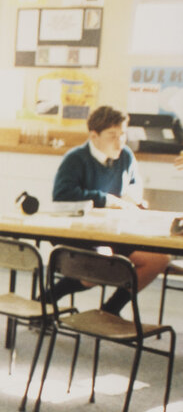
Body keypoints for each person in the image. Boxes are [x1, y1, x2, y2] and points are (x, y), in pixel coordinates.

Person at [48, 105, 170, 314]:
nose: (120, 140)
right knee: (102, 266)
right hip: (83, 235)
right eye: (112, 135)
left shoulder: (126, 156)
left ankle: (111, 309)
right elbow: (62, 194)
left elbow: (134, 184)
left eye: (122, 134)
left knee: (160, 259)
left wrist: (134, 197)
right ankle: (48, 298)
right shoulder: (76, 158)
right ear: (94, 136)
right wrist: (106, 200)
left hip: (116, 233)